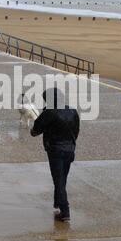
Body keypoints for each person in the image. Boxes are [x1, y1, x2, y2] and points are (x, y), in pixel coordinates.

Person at [31, 88, 80, 222]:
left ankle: (65, 212)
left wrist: (35, 131)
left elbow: (36, 129)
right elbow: (76, 131)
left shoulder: (49, 112)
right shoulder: (72, 111)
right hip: (70, 149)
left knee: (58, 181)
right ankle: (57, 202)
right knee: (62, 178)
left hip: (55, 150)